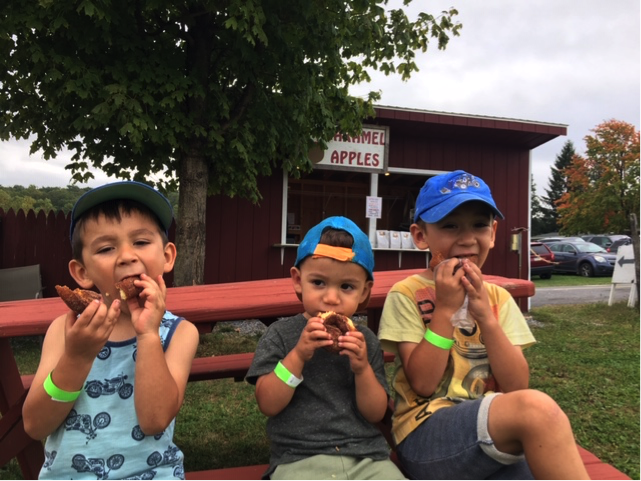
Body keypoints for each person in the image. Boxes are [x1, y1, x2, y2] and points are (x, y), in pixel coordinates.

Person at [378, 170, 590, 481]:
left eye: (479, 225)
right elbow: (422, 383)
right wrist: (447, 308)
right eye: (450, 225)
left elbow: (516, 385)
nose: (467, 239)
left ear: (492, 232)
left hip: (490, 438)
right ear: (421, 236)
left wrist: (487, 319)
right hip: (425, 438)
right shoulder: (407, 294)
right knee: (537, 411)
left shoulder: (498, 300)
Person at [23, 181, 199, 480]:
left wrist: (147, 335)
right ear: (83, 272)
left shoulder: (179, 333)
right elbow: (35, 425)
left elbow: (154, 420)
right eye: (106, 248)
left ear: (167, 256)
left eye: (141, 242)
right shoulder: (65, 331)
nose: (127, 256)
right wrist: (77, 358)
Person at [246, 216, 406, 481]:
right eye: (318, 282)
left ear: (364, 292)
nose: (331, 298)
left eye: (346, 287)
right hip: (299, 458)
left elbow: (376, 412)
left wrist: (362, 369)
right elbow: (268, 403)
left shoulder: (364, 340)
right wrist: (297, 356)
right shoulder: (281, 335)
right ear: (298, 280)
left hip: (366, 457)